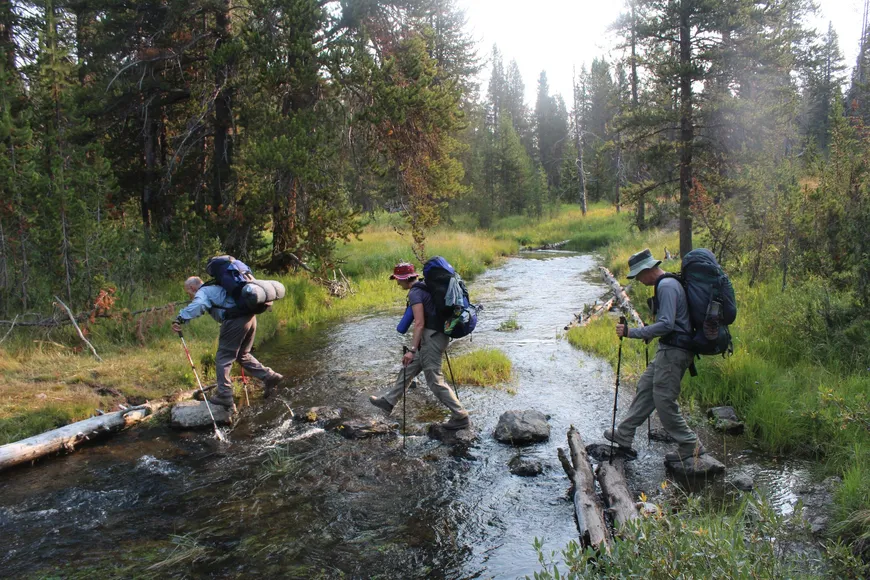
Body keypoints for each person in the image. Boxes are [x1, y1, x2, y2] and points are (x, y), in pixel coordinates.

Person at [603, 249, 706, 462]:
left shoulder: (666, 286)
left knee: (664, 399)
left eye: (639, 275)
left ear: (647, 270)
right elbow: (673, 322)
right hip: (669, 348)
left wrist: (632, 332)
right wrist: (651, 332)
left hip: (675, 352)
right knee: (646, 387)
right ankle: (625, 433)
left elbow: (667, 324)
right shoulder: (667, 283)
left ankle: (690, 444)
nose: (639, 280)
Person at [369, 262, 470, 430]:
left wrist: (412, 350)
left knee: (434, 380)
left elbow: (419, 324)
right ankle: (388, 402)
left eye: (398, 279)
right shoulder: (425, 285)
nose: (397, 283)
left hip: (432, 339)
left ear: (405, 278)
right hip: (435, 336)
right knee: (408, 369)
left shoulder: (415, 293)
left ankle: (461, 416)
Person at [172, 276, 283, 408]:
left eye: (188, 292)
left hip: (235, 321)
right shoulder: (217, 286)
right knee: (242, 354)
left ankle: (224, 395)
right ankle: (270, 377)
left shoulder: (203, 291)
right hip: (250, 318)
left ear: (192, 288)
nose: (189, 295)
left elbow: (200, 305)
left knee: (223, 358)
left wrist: (180, 318)